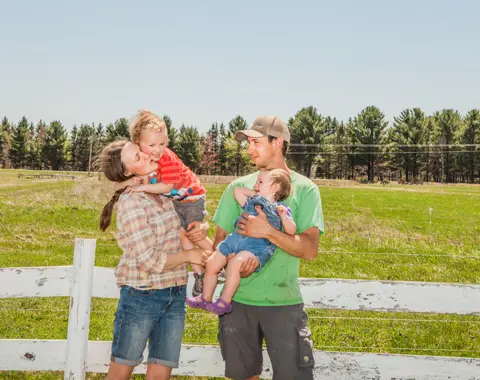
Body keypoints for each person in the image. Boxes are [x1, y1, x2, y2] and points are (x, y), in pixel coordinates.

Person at [212, 116, 324, 380]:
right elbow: (220, 243)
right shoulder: (238, 189)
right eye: (247, 143)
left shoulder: (305, 190)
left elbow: (309, 249)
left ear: (278, 143)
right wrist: (237, 261)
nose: (248, 149)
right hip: (237, 304)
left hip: (284, 304)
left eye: (256, 142)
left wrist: (268, 232)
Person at [97, 139, 212, 380]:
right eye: (138, 157)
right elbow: (149, 260)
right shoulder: (132, 201)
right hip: (142, 293)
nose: (148, 155)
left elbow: (190, 214)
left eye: (142, 151)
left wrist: (201, 225)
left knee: (161, 372)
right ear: (128, 172)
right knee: (121, 370)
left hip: (176, 291)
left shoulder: (163, 190)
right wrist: (191, 255)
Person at [115, 109, 213, 296]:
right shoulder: (150, 162)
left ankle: (218, 260)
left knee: (191, 233)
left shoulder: (165, 159)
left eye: (162, 143)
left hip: (192, 198)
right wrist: (129, 183)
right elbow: (118, 184)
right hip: (181, 200)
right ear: (139, 143)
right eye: (152, 144)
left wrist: (141, 187)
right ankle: (200, 274)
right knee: (185, 236)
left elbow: (167, 188)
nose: (158, 149)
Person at [186, 169, 296, 315]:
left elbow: (291, 230)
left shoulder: (280, 209)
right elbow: (237, 191)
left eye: (260, 182)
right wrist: (257, 194)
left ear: (275, 187)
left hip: (255, 248)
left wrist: (283, 217)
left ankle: (224, 301)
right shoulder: (252, 202)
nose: (256, 184)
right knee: (212, 262)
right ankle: (205, 298)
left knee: (235, 264)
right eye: (257, 181)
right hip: (235, 240)